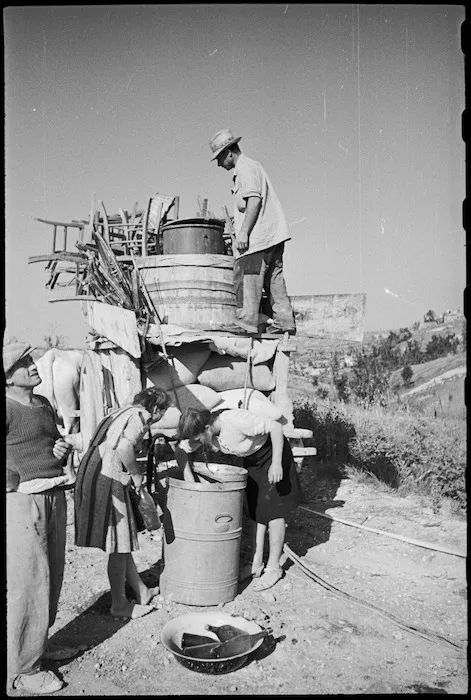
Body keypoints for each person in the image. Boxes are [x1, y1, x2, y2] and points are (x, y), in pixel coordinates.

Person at [5, 341, 80, 695]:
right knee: (30, 582)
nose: (34, 365)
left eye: (31, 360)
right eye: (24, 363)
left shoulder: (45, 404)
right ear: (7, 376)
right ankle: (23, 668)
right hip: (23, 501)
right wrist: (11, 484)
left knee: (52, 575)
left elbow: (51, 442)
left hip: (55, 492)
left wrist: (59, 450)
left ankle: (40, 645)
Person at [174, 406, 303, 591]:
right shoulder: (206, 433)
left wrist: (276, 464)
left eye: (198, 439)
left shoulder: (236, 421)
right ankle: (255, 562)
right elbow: (181, 450)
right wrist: (189, 480)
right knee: (255, 509)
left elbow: (275, 427)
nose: (198, 443)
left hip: (271, 454)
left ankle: (274, 567)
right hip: (252, 459)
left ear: (208, 427)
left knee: (274, 510)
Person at [72, 387, 171, 620]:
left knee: (122, 540)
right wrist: (137, 477)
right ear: (155, 408)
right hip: (108, 480)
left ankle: (141, 591)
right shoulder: (139, 417)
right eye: (161, 413)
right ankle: (119, 603)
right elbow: (125, 447)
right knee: (117, 544)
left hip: (92, 473)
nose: (158, 419)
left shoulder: (117, 413)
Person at [209, 127, 296, 336]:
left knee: (245, 275)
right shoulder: (252, 166)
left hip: (258, 238)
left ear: (229, 152)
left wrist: (244, 233)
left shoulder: (245, 168)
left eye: (220, 159)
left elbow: (254, 200)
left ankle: (245, 322)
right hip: (272, 237)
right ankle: (285, 321)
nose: (220, 164)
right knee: (274, 279)